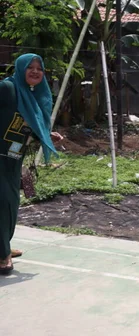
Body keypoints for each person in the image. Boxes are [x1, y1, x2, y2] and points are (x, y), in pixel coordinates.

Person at [1, 53, 63, 275]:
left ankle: (3, 246)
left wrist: (46, 134)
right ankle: (2, 256)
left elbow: (26, 124)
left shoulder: (30, 94)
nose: (36, 71)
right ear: (20, 68)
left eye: (40, 68)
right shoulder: (8, 89)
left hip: (14, 158)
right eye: (30, 67)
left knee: (12, 204)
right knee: (3, 204)